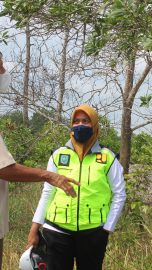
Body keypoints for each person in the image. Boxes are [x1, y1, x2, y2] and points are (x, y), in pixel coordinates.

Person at [0, 53, 78, 270]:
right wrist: (50, 175)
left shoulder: (106, 158)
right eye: (1, 68)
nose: (4, 73)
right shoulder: (58, 156)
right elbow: (5, 170)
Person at [27, 104, 126, 270]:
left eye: (86, 121)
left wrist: (107, 228)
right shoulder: (58, 155)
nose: (80, 125)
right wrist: (35, 227)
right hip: (56, 230)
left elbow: (119, 194)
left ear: (94, 125)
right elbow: (47, 192)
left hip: (93, 233)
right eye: (77, 121)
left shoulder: (107, 158)